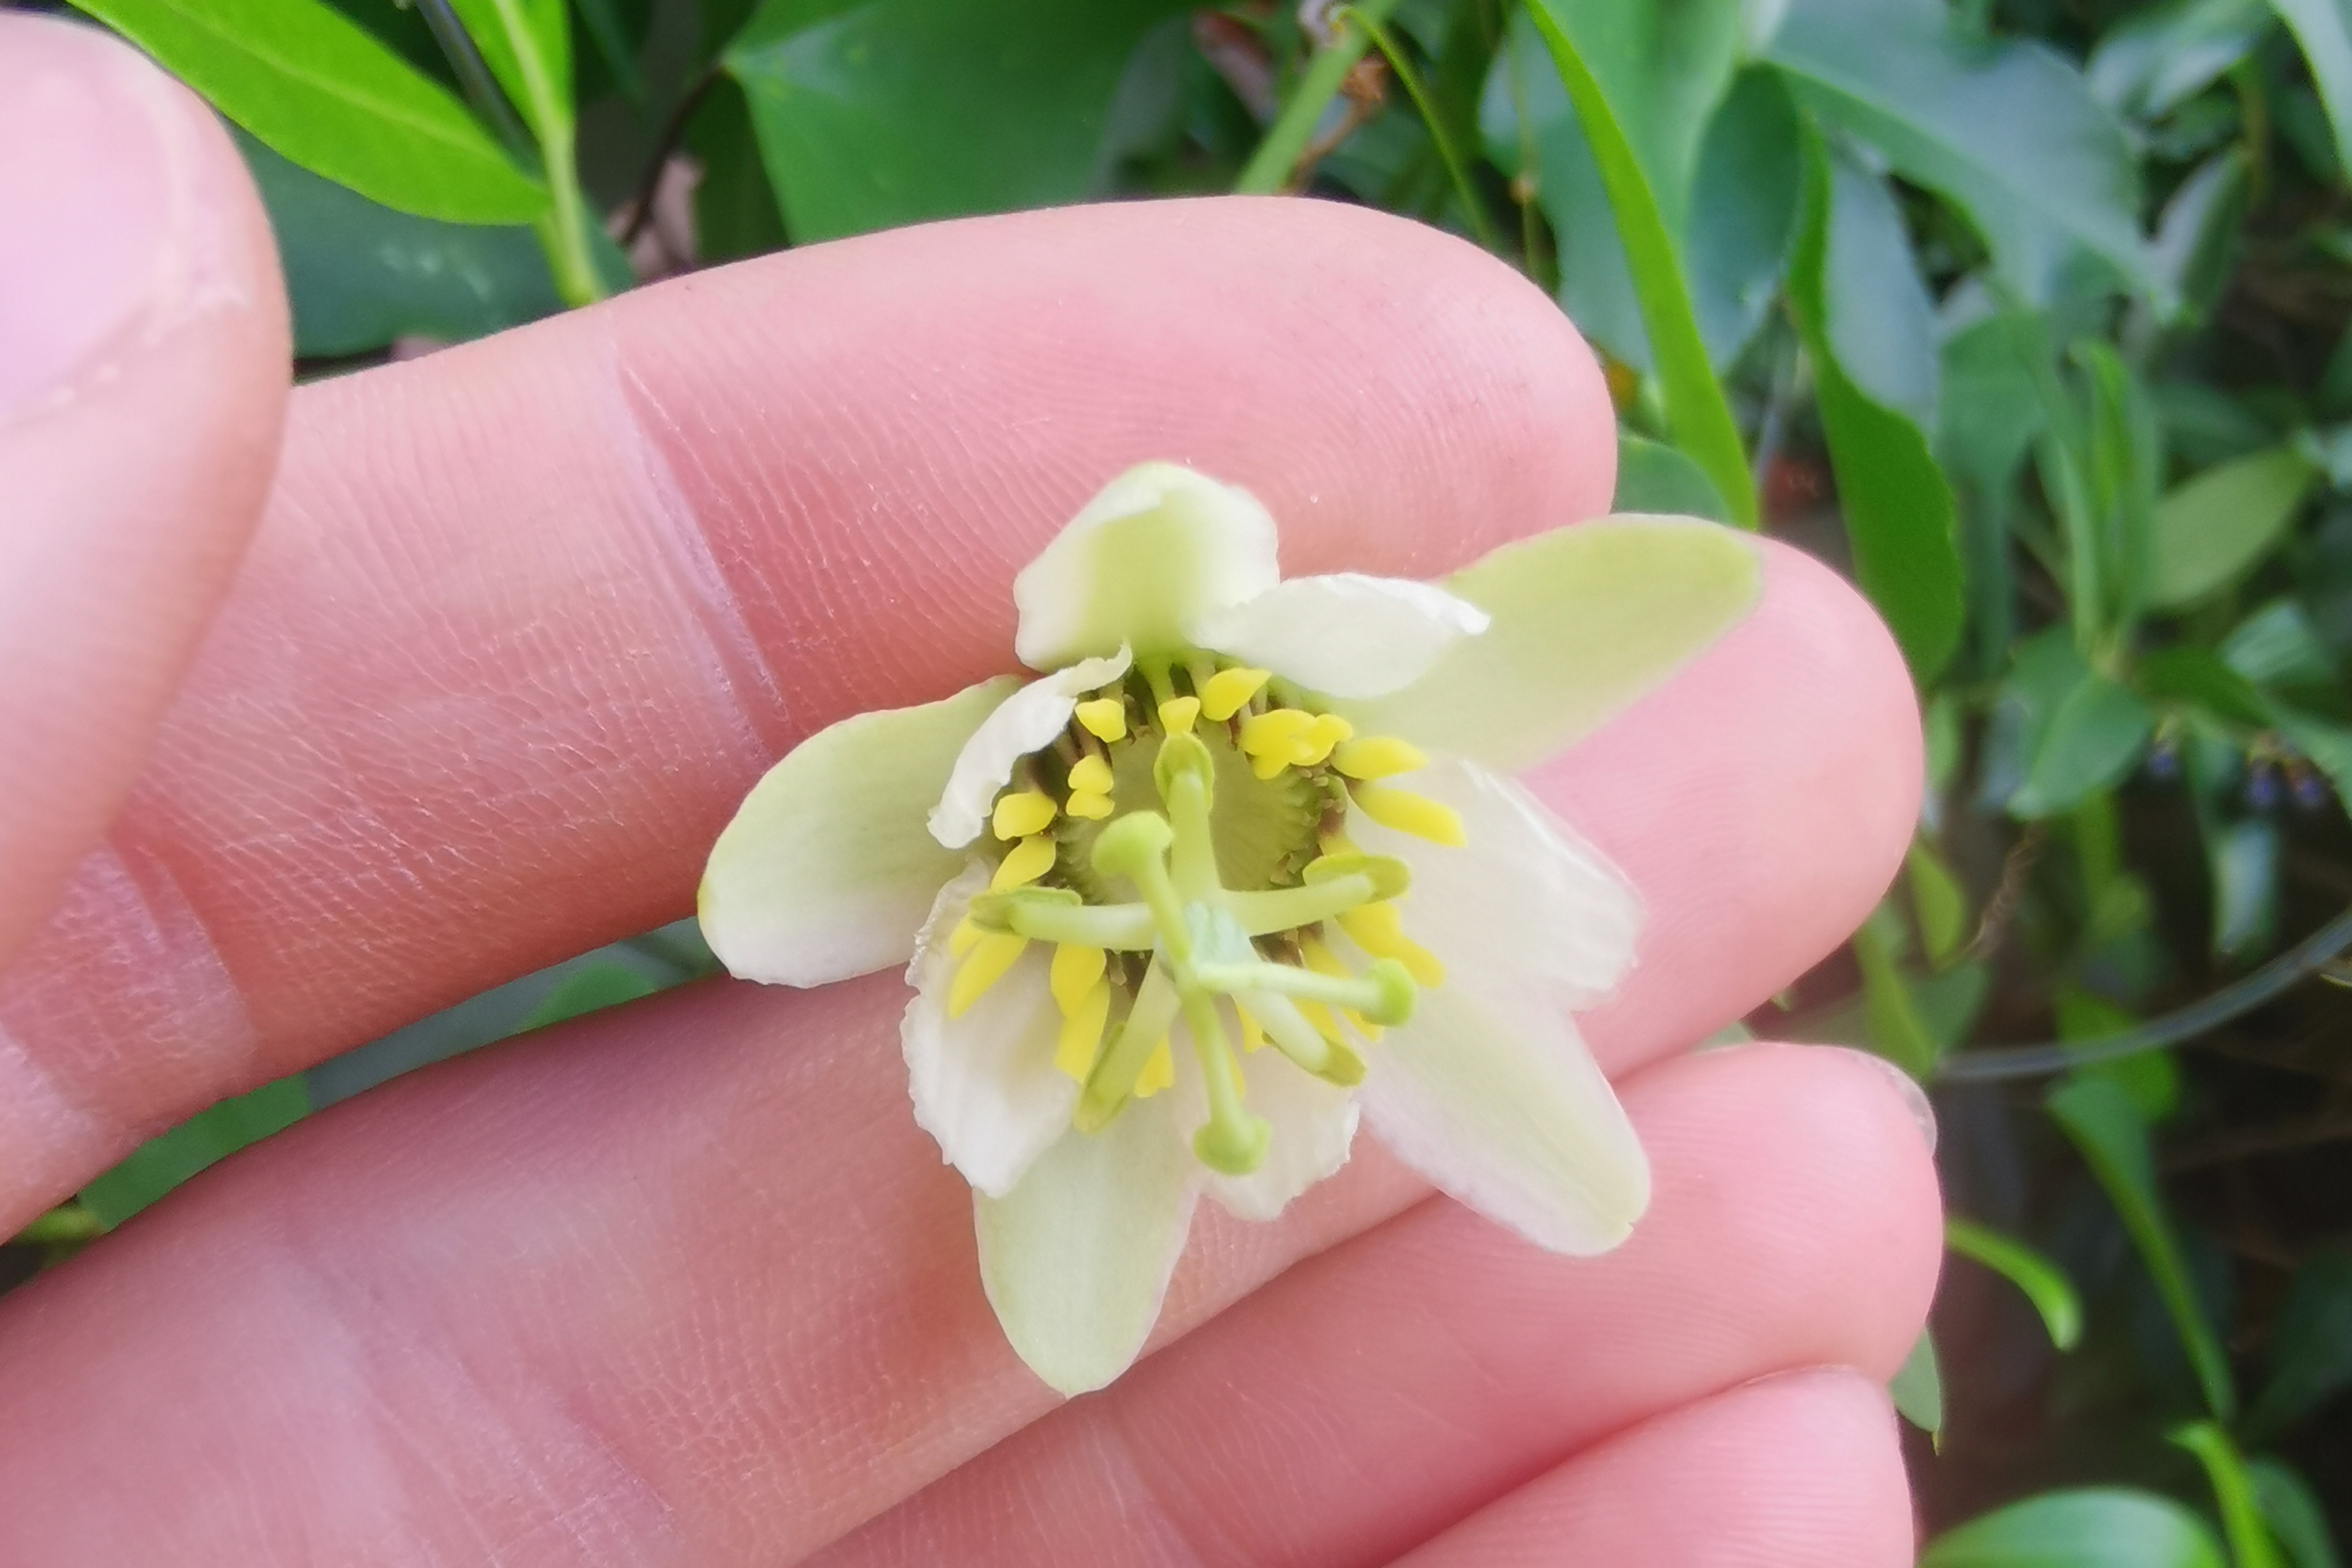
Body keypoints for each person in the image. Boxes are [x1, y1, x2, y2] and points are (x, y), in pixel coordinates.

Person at [0, 11, 1941, 1563]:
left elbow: (1100, 1258)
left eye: (1201, 934)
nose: (1197, 909)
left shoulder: (1243, 935)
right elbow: (792, 882)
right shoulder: (1150, 593)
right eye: (1245, 898)